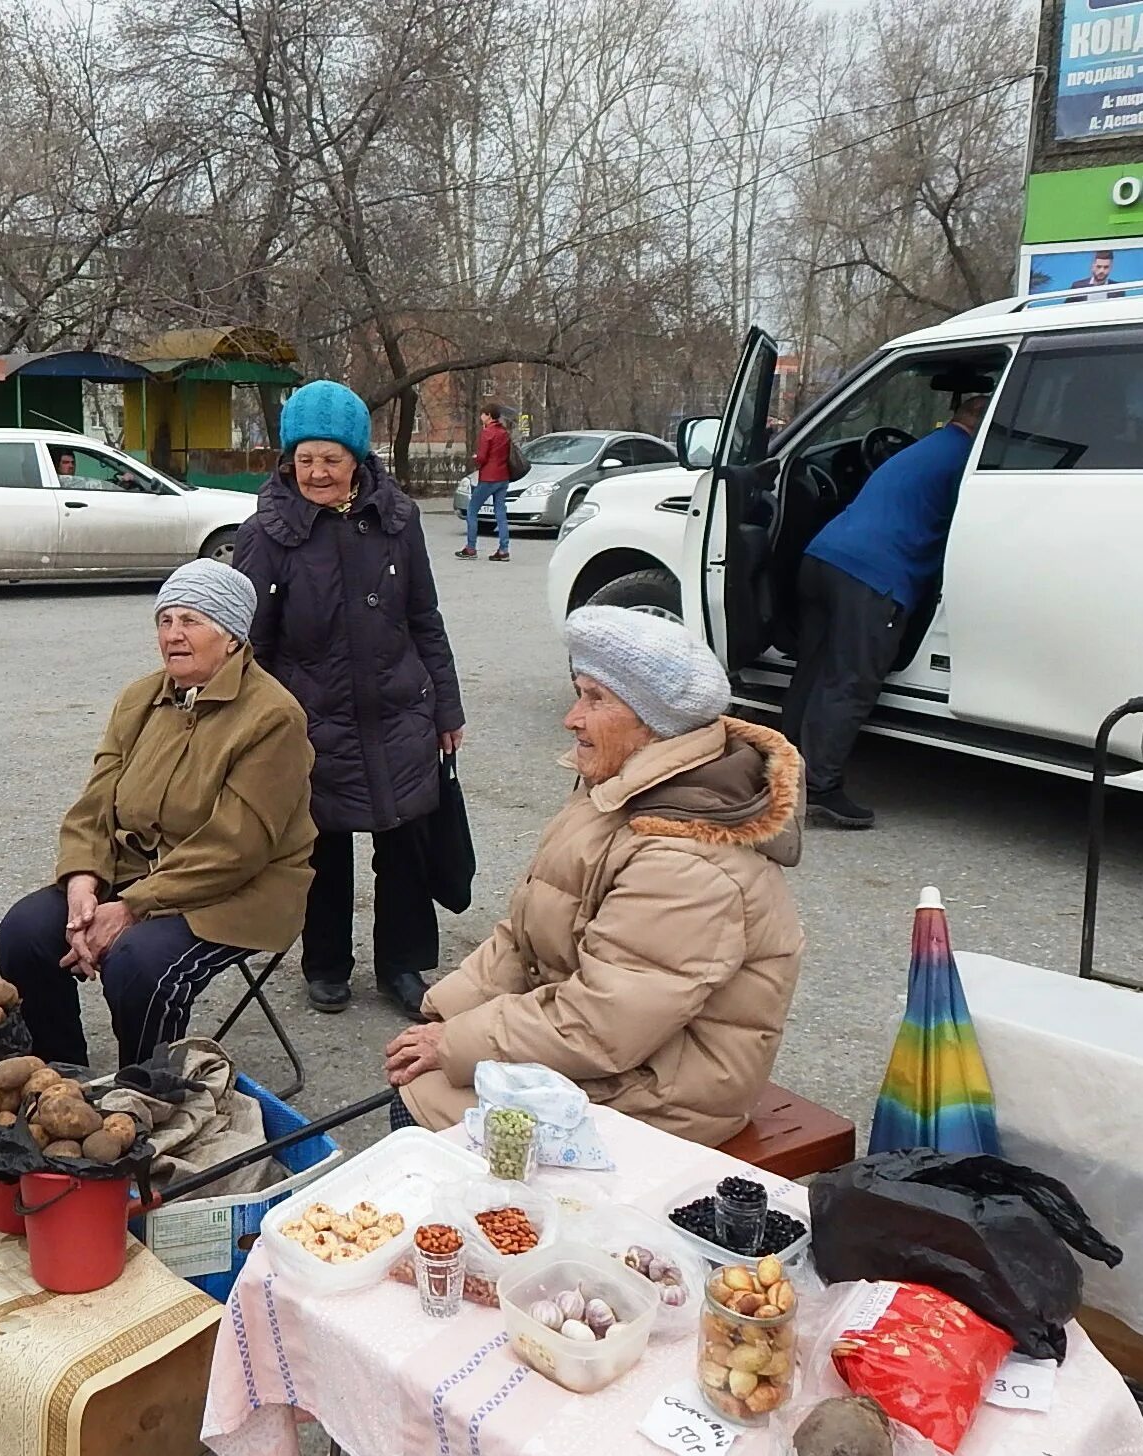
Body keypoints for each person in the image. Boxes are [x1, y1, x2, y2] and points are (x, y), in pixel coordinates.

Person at [385, 607, 803, 1142]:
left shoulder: (684, 859)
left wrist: (455, 1044)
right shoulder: (620, 789)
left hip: (667, 1089)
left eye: (595, 699)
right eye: (578, 692)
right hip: (619, 1049)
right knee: (417, 1073)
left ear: (651, 722)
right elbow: (526, 933)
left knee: (420, 1106)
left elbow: (606, 1024)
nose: (571, 718)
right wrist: (444, 1013)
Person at [0, 560, 316, 1069]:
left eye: (191, 621)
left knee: (138, 962)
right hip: (133, 872)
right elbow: (96, 802)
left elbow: (236, 848)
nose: (174, 636)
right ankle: (60, 1073)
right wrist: (83, 883)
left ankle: (147, 1092)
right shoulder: (140, 697)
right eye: (165, 621)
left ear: (232, 637)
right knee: (24, 931)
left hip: (238, 890)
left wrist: (129, 908)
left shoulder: (273, 717)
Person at [236, 380, 465, 1018]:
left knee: (406, 847)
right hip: (312, 719)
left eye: (332, 459)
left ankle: (403, 964)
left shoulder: (400, 520)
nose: (317, 472)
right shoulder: (266, 532)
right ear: (288, 459)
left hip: (400, 710)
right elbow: (252, 643)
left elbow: (425, 617)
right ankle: (327, 964)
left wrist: (446, 707)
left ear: (358, 460)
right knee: (323, 849)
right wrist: (258, 729)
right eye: (305, 459)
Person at [781, 390, 989, 829]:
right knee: (850, 680)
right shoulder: (968, 461)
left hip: (823, 557)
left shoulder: (927, 448)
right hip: (874, 575)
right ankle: (820, 787)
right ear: (982, 420)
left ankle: (781, 772)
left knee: (814, 670)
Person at [459, 404, 513, 561]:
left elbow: (482, 457)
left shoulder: (487, 432)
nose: (481, 417)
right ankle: (503, 550)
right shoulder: (504, 432)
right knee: (501, 513)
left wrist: (475, 459)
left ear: (488, 415)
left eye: (482, 414)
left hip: (489, 477)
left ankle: (470, 548)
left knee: (472, 510)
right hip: (503, 477)